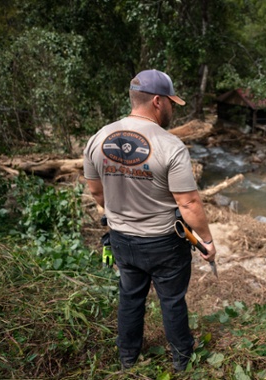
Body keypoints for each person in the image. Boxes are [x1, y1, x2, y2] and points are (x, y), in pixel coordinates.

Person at [83, 69, 216, 372]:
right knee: (171, 301)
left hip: (121, 240)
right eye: (171, 102)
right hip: (164, 244)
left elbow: (95, 191)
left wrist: (119, 213)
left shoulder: (98, 138)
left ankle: (128, 358)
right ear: (158, 101)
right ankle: (182, 361)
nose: (172, 109)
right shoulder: (170, 145)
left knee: (130, 298)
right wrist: (206, 239)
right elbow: (189, 202)